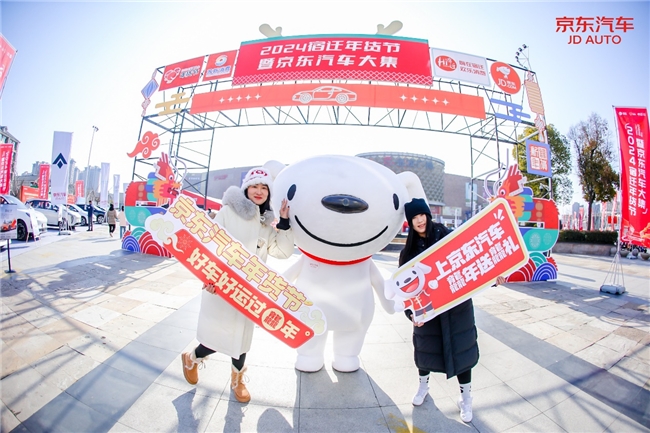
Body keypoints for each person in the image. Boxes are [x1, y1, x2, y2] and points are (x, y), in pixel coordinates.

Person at [181, 166, 294, 403]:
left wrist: (283, 221)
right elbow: (209, 244)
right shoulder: (227, 212)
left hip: (249, 291)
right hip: (222, 286)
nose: (259, 191)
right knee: (215, 337)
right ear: (246, 189)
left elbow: (282, 251)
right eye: (255, 186)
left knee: (241, 339)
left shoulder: (266, 223)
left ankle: (237, 379)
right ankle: (192, 358)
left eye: (264, 188)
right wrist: (208, 277)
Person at [399, 198, 486, 423]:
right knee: (425, 350)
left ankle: (466, 397)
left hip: (457, 310)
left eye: (421, 215)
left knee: (461, 350)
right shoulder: (408, 251)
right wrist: (411, 314)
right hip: (427, 312)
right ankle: (423, 387)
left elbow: (472, 263)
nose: (419, 220)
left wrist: (493, 277)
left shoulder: (449, 237)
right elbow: (404, 290)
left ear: (428, 215)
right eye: (413, 217)